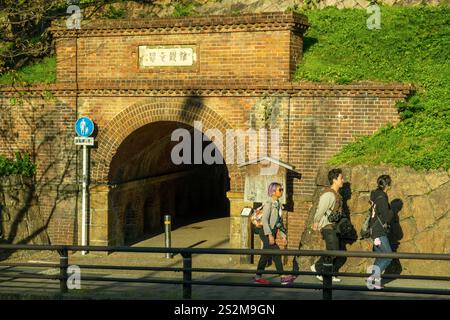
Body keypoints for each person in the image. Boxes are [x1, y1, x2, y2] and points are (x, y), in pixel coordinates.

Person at [254, 182, 294, 285]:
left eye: (282, 190)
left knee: (267, 254)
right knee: (275, 252)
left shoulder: (278, 204)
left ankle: (258, 277)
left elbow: (279, 222)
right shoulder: (268, 203)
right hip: (265, 232)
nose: (281, 192)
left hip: (272, 231)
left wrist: (283, 236)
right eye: (280, 190)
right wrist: (270, 235)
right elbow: (265, 220)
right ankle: (282, 277)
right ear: (273, 192)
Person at [310, 168, 345, 283]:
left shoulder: (336, 194)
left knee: (334, 251)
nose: (343, 180)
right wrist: (316, 222)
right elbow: (320, 209)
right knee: (333, 250)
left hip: (333, 226)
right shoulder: (329, 194)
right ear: (334, 180)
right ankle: (317, 267)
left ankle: (329, 273)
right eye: (341, 178)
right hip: (327, 226)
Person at [367, 175, 394, 289]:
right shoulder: (382, 198)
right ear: (387, 185)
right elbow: (386, 217)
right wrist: (392, 212)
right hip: (379, 231)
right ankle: (371, 280)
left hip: (374, 229)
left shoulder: (375, 195)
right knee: (388, 256)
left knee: (380, 256)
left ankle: (373, 282)